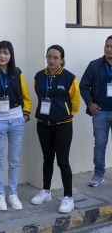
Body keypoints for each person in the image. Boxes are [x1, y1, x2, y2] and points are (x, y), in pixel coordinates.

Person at [31, 45, 80, 214]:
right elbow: (38, 95)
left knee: (63, 161)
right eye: (49, 57)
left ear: (62, 60)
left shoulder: (70, 78)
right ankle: (46, 191)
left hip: (63, 126)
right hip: (43, 124)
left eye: (55, 58)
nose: (51, 61)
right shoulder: (39, 76)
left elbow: (75, 103)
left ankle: (68, 197)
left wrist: (63, 114)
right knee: (47, 158)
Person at [0, 41, 32, 211]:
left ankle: (12, 193)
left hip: (17, 120)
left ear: (11, 55)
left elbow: (26, 96)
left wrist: (25, 114)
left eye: (5, 53)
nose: (2, 56)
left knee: (14, 160)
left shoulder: (17, 73)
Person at [79, 35, 112, 187]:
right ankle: (99, 174)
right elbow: (84, 85)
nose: (108, 49)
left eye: (111, 47)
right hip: (101, 112)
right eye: (107, 46)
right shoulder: (95, 65)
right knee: (100, 144)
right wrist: (90, 103)